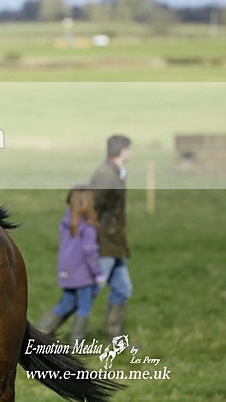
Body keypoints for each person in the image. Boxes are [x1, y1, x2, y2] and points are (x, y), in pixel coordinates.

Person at [35, 186, 105, 343]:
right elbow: (90, 251)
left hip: (66, 270)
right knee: (84, 306)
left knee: (67, 303)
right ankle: (77, 341)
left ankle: (40, 331)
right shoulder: (88, 225)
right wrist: (97, 273)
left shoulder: (66, 220)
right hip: (83, 273)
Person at [90, 134, 133, 339]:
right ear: (123, 150)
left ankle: (115, 340)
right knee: (88, 292)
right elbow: (92, 208)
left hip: (115, 244)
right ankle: (45, 331)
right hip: (104, 243)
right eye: (129, 149)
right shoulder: (105, 175)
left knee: (123, 289)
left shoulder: (116, 172)